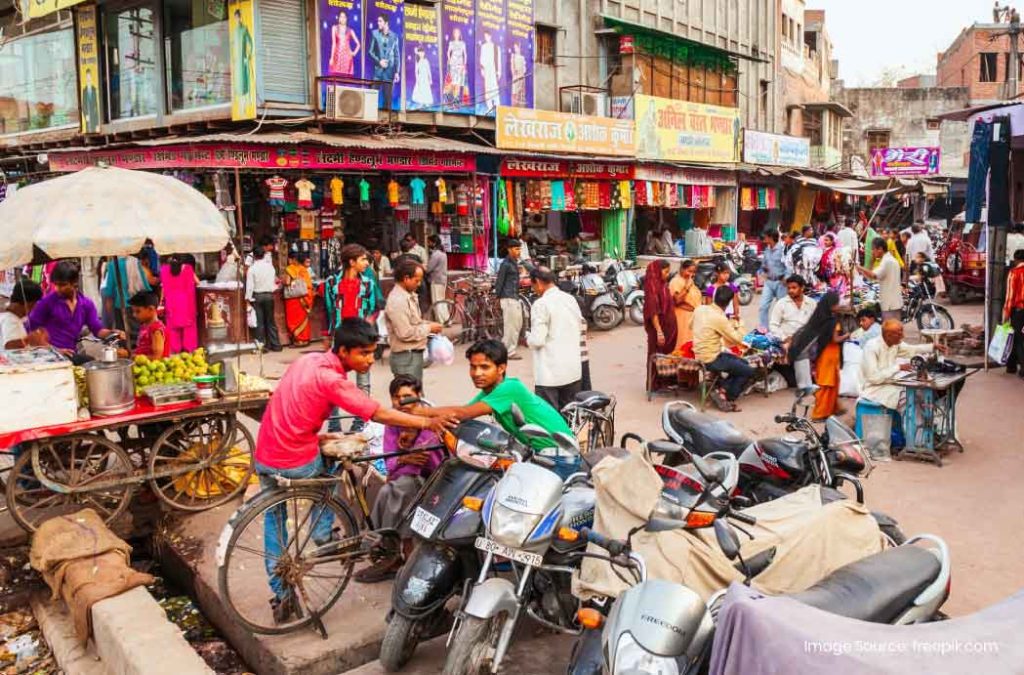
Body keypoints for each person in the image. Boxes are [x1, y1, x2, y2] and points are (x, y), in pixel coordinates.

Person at [254, 319, 454, 623]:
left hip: (266, 451)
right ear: (344, 351)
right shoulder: (333, 380)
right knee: (327, 474)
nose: (370, 360)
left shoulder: (307, 360)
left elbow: (292, 405)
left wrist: (314, 435)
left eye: (373, 352)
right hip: (294, 458)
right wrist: (428, 422)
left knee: (275, 516)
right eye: (363, 354)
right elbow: (378, 412)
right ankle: (325, 537)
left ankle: (279, 592)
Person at [427, 340, 578, 479]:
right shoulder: (489, 392)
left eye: (484, 367)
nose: (477, 373)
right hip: (540, 454)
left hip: (560, 458)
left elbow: (463, 413)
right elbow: (464, 412)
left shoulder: (509, 388)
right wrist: (425, 416)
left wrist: (417, 412)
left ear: (501, 368)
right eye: (473, 367)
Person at [355, 375, 445, 583]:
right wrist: (405, 458)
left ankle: (397, 554)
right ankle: (393, 552)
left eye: (408, 397)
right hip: (403, 481)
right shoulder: (393, 423)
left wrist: (407, 454)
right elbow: (391, 466)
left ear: (419, 396)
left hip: (433, 482)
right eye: (397, 398)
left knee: (403, 487)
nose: (402, 402)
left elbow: (430, 463)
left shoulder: (430, 422)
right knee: (392, 489)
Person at [28, 261, 123, 357]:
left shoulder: (86, 304)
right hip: (48, 356)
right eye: (56, 284)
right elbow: (30, 331)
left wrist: (112, 333)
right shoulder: (47, 302)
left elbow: (97, 330)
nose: (57, 288)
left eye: (62, 285)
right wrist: (54, 350)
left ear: (74, 283)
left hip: (71, 354)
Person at [526, 266, 584, 411]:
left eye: (533, 285)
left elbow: (537, 340)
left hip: (549, 375)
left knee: (549, 422)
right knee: (569, 420)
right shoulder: (570, 299)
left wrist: (528, 338)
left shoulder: (541, 304)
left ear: (538, 282)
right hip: (572, 371)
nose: (534, 290)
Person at [860, 320, 939, 423]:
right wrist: (898, 367)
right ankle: (915, 436)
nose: (903, 336)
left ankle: (930, 429)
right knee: (909, 401)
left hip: (890, 383)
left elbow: (911, 349)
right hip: (875, 388)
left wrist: (932, 347)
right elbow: (873, 378)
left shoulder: (894, 343)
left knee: (922, 393)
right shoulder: (872, 347)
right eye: (899, 334)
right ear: (888, 335)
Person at [692, 286, 754, 412]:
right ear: (729, 302)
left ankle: (722, 389)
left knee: (743, 363)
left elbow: (691, 325)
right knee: (748, 371)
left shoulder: (700, 309)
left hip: (698, 354)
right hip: (712, 358)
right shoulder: (719, 318)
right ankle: (727, 397)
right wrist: (739, 323)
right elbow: (737, 339)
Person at [789, 292, 847, 420]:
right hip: (830, 357)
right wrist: (848, 336)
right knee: (827, 384)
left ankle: (832, 409)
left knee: (830, 383)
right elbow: (835, 339)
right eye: (837, 303)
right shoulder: (832, 321)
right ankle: (820, 413)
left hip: (824, 356)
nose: (839, 305)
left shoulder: (820, 318)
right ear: (831, 305)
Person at [385, 258, 443, 382]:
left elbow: (414, 321)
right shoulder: (398, 301)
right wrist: (429, 328)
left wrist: (428, 324)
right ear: (406, 279)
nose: (419, 284)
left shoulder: (408, 296)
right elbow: (405, 333)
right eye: (417, 280)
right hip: (406, 358)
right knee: (409, 397)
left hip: (412, 356)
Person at [101, 254, 152, 334]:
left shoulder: (112, 264)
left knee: (122, 333)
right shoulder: (136, 262)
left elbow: (109, 288)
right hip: (137, 304)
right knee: (137, 332)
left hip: (120, 304)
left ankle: (125, 346)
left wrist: (109, 304)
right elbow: (145, 284)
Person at [160, 254, 199, 354]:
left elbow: (163, 288)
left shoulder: (164, 270)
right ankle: (189, 351)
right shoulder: (188, 269)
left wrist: (161, 302)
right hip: (186, 303)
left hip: (172, 303)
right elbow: (197, 282)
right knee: (189, 329)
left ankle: (176, 351)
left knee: (173, 329)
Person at [858, 238, 903, 323]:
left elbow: (873, 275)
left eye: (873, 249)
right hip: (894, 302)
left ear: (880, 249)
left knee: (890, 331)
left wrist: (859, 267)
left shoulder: (886, 261)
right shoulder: (891, 260)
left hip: (890, 304)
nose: (872, 252)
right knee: (894, 330)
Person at [245, 248, 281, 352]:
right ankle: (276, 345)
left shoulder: (252, 269)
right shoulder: (270, 267)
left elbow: (250, 286)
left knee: (259, 322)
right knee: (271, 321)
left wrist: (247, 299)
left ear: (254, 256)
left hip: (258, 296)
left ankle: (261, 346)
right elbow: (273, 282)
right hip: (269, 295)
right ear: (263, 255)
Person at [643, 259, 678, 364]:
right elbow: (653, 310)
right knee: (657, 358)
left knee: (666, 361)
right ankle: (656, 381)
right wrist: (659, 332)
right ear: (657, 271)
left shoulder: (663, 284)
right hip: (659, 330)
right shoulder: (652, 287)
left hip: (668, 329)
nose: (667, 275)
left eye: (668, 272)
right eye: (665, 272)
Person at [495, 239, 525, 360]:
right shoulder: (506, 264)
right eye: (516, 249)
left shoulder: (514, 263)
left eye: (519, 249)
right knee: (510, 326)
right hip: (508, 298)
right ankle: (508, 352)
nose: (518, 251)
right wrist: (497, 298)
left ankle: (506, 349)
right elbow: (499, 282)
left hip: (514, 297)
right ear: (509, 249)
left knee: (517, 324)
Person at [1, 280, 47, 349]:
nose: (33, 308)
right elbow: (9, 345)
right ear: (27, 304)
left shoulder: (18, 316)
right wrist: (29, 339)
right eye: (33, 305)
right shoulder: (9, 320)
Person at [123, 291, 169, 360]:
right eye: (133, 311)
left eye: (138, 311)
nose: (134, 315)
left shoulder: (156, 330)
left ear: (151, 309)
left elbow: (156, 357)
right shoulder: (145, 325)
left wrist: (129, 355)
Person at [283, 252, 314, 347]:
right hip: (305, 297)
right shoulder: (304, 269)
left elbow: (287, 282)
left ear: (293, 260)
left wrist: (283, 281)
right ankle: (305, 339)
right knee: (303, 318)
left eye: (290, 259)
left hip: (294, 298)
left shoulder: (289, 269)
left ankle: (299, 341)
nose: (289, 261)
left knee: (293, 320)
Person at [758, 230, 788, 330]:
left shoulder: (783, 250)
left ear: (771, 238)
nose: (764, 239)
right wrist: (762, 272)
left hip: (781, 283)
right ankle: (764, 329)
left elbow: (789, 265)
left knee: (782, 307)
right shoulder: (766, 250)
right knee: (763, 306)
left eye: (766, 237)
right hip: (769, 282)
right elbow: (763, 265)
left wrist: (786, 278)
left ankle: (781, 329)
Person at [669, 259, 702, 350]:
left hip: (692, 318)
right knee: (682, 343)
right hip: (682, 318)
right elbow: (677, 301)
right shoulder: (676, 281)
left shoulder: (689, 281)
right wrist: (687, 287)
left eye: (694, 272)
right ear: (682, 269)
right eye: (689, 271)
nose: (692, 274)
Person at [1003, 249, 1024, 377]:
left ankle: (1020, 367)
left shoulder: (1014, 272)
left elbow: (1010, 296)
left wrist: (1006, 313)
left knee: (1018, 338)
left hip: (1019, 311)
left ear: (1016, 260)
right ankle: (1011, 366)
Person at [328, 11, 360, 76]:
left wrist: (353, 53)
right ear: (339, 18)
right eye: (341, 17)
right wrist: (331, 57)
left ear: (346, 19)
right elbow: (333, 43)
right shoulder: (334, 28)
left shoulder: (350, 30)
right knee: (335, 77)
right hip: (337, 56)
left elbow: (358, 44)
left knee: (345, 78)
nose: (342, 18)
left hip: (347, 58)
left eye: (344, 17)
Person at [426, 235, 449, 323]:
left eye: (429, 242)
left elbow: (428, 269)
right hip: (442, 280)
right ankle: (446, 319)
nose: (428, 244)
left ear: (433, 243)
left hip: (436, 280)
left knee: (437, 301)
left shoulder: (435, 255)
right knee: (442, 301)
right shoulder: (443, 254)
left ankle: (441, 321)